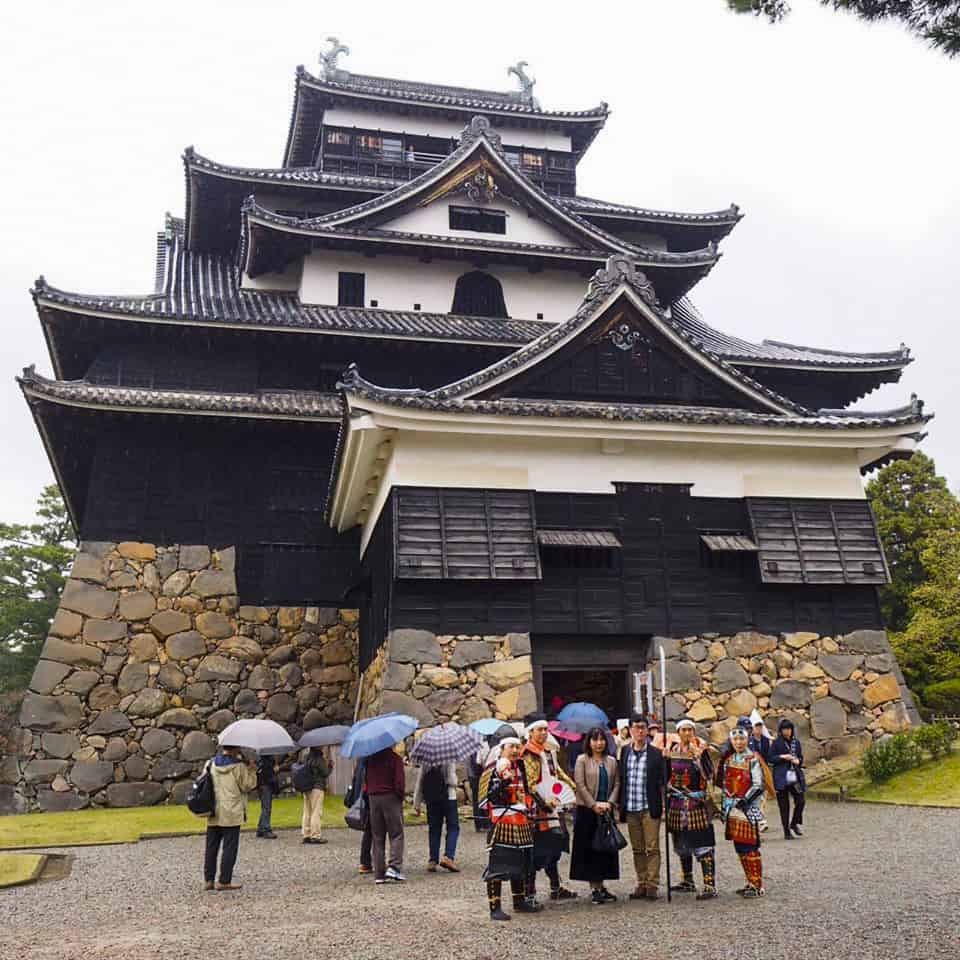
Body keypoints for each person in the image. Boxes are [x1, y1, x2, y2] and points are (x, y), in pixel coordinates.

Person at [479, 736, 539, 920]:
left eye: (517, 747)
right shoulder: (492, 770)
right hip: (502, 821)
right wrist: (502, 784)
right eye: (511, 747)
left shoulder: (520, 767)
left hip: (521, 820)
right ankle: (494, 906)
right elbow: (484, 799)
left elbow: (527, 792)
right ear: (502, 749)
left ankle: (519, 901)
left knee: (521, 861)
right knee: (498, 863)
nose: (515, 751)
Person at [520, 717, 578, 903]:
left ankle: (555, 887)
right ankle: (529, 893)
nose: (544, 733)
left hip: (554, 806)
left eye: (545, 729)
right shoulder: (528, 754)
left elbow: (557, 772)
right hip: (538, 810)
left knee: (555, 846)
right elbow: (530, 785)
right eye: (540, 730)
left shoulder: (548, 750)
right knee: (536, 851)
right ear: (531, 732)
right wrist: (545, 803)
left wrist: (573, 787)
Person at [664, 719, 717, 899]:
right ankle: (687, 880)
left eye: (689, 730)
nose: (687, 733)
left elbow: (710, 775)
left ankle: (709, 885)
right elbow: (665, 776)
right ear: (678, 732)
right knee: (681, 843)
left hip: (696, 804)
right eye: (683, 730)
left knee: (703, 843)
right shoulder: (671, 751)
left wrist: (698, 759)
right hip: (677, 805)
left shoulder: (701, 751)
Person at [617, 714, 665, 900]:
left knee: (652, 847)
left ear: (647, 730)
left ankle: (652, 884)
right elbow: (622, 779)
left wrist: (667, 761)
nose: (640, 731)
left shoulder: (656, 753)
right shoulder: (625, 752)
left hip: (649, 805)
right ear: (630, 730)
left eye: (643, 727)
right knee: (637, 848)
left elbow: (664, 778)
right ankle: (642, 882)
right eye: (636, 727)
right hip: (631, 806)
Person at [571, 726, 621, 904]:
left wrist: (610, 803)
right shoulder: (582, 760)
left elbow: (617, 783)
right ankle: (594, 888)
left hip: (606, 810)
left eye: (601, 740)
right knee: (590, 849)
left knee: (605, 849)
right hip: (587, 812)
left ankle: (602, 885)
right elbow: (580, 783)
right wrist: (593, 804)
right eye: (595, 740)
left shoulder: (612, 761)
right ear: (589, 742)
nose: (598, 743)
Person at [717, 723, 767, 898]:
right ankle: (749, 881)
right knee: (739, 847)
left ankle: (757, 884)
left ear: (747, 739)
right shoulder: (729, 760)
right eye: (735, 739)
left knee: (751, 847)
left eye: (742, 738)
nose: (738, 742)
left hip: (747, 808)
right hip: (732, 808)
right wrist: (724, 808)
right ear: (731, 741)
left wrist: (745, 801)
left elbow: (758, 784)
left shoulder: (753, 759)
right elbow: (724, 786)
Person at [203, 745, 257, 891]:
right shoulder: (238, 766)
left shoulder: (210, 763)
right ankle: (224, 881)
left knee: (211, 847)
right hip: (232, 811)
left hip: (213, 810)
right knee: (229, 847)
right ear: (235, 749)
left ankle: (209, 880)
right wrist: (251, 770)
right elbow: (248, 786)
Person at [366, 744, 406, 884]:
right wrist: (400, 797)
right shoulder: (395, 759)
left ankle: (379, 874)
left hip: (373, 798)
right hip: (390, 796)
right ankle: (394, 867)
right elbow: (400, 783)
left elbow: (366, 779)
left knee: (377, 837)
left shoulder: (370, 759)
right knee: (396, 834)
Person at [413, 761, 460, 872]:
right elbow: (452, 781)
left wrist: (417, 802)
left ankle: (433, 860)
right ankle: (448, 856)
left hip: (432, 796)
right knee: (453, 827)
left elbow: (420, 780)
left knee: (434, 829)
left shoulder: (426, 759)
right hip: (449, 796)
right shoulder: (449, 757)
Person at [770, 717, 806, 840]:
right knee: (784, 806)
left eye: (789, 729)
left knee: (801, 800)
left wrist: (798, 761)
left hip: (794, 777)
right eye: (785, 729)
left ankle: (794, 822)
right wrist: (783, 757)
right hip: (781, 777)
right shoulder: (776, 743)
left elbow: (801, 758)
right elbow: (771, 758)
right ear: (781, 731)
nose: (788, 732)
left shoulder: (796, 743)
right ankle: (786, 831)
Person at [345, 757, 373, 874]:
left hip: (364, 799)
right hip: (370, 798)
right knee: (375, 831)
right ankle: (372, 862)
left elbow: (356, 780)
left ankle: (365, 862)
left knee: (369, 831)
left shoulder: (361, 760)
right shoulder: (369, 761)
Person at [301, 747, 330, 845]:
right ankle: (315, 835)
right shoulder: (319, 758)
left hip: (306, 787)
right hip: (317, 787)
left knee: (307, 811)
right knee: (316, 812)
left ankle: (306, 834)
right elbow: (325, 773)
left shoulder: (305, 757)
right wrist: (330, 765)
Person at [255, 754, 279, 839]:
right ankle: (266, 830)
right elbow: (268, 774)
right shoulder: (266, 760)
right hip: (265, 785)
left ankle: (261, 828)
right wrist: (275, 770)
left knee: (265, 807)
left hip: (262, 785)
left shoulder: (260, 758)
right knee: (267, 808)